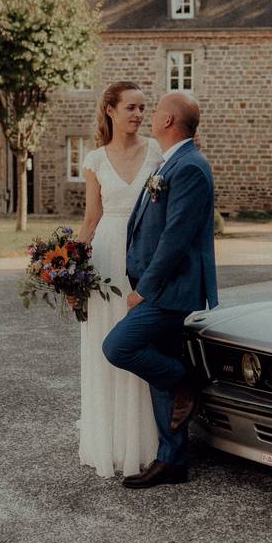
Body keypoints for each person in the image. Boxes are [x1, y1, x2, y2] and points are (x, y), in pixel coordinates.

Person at [102, 92, 218, 489]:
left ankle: (188, 380)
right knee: (159, 373)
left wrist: (145, 290)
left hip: (170, 290)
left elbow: (175, 239)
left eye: (154, 112)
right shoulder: (172, 161)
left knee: (119, 347)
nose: (148, 117)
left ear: (168, 120)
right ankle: (173, 460)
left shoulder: (189, 167)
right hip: (160, 286)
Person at [76, 81, 163, 477]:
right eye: (131, 107)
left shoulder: (157, 153)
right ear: (110, 109)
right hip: (105, 259)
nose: (138, 114)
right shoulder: (95, 159)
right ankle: (108, 440)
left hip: (144, 255)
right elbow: (91, 219)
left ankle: (143, 443)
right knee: (103, 343)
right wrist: (72, 270)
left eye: (143, 108)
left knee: (138, 339)